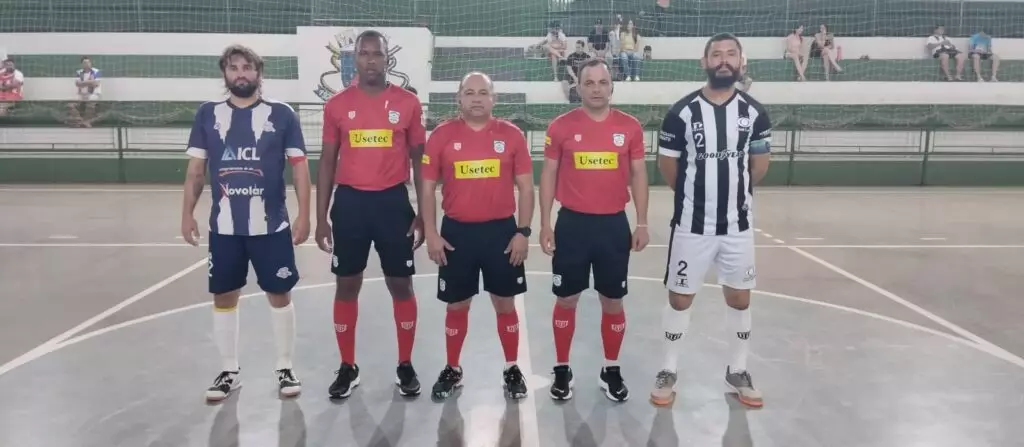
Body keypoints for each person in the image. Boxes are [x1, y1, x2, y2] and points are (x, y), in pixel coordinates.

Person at [179, 44, 311, 402]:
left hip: (272, 227)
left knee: (279, 293)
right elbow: (195, 170)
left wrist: (304, 214)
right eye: (234, 67)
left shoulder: (281, 115)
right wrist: (187, 212)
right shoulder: (208, 115)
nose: (241, 73)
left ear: (259, 73)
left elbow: (300, 169)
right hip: (225, 229)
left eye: (247, 67)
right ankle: (228, 370)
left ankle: (284, 366)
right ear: (225, 73)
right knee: (224, 294)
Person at [652, 33, 772, 408]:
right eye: (716, 55)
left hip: (737, 226)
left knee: (739, 297)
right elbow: (667, 164)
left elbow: (759, 166)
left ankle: (738, 369)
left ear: (741, 62)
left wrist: (732, 196)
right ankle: (668, 370)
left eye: (730, 54)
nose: (723, 60)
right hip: (692, 225)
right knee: (680, 297)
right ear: (704, 62)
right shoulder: (682, 112)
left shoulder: (754, 113)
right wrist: (694, 196)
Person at [315, 30, 426, 399]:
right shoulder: (336, 106)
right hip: (349, 206)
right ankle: (348, 366)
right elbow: (327, 161)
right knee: (347, 285)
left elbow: (420, 163)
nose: (371, 60)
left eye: (377, 54)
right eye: (363, 54)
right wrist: (320, 217)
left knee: (401, 284)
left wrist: (423, 214)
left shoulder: (408, 103)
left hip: (393, 204)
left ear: (386, 58)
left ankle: (406, 363)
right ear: (355, 59)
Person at [539, 58, 650, 402]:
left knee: (612, 300)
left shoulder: (630, 127)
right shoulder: (560, 127)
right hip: (572, 224)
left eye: (602, 82)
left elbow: (639, 175)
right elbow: (548, 175)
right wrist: (545, 222)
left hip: (613, 225)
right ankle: (562, 368)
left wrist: (642, 221)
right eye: (590, 83)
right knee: (566, 298)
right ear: (579, 87)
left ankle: (611, 369)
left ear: (611, 86)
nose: (597, 88)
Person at [420, 71, 535, 400]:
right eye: (469, 92)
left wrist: (523, 232)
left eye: (483, 92)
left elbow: (527, 187)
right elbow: (427, 189)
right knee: (457, 304)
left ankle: (511, 367)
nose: (476, 98)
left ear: (493, 99)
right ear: (459, 98)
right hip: (457, 233)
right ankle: (453, 368)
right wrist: (431, 232)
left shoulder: (511, 136)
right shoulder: (441, 136)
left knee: (504, 302)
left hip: (501, 232)